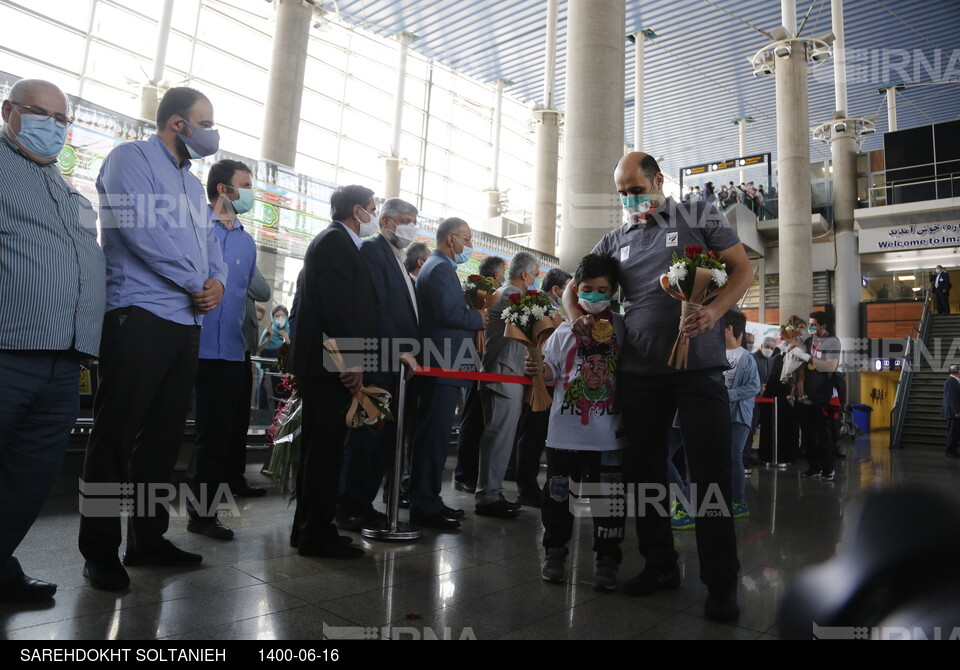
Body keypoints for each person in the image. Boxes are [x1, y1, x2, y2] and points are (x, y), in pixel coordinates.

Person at [563, 151, 753, 622]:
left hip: (699, 369)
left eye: (636, 189)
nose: (630, 199)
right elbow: (572, 288)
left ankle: (721, 583)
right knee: (645, 475)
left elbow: (742, 269)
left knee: (709, 475)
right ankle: (659, 564)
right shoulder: (616, 237)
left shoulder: (696, 213)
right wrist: (577, 321)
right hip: (639, 373)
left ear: (658, 180)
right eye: (622, 193)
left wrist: (715, 311)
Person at [79, 86, 227, 591]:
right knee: (115, 437)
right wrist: (195, 282)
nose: (212, 132)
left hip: (186, 323)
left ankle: (147, 540)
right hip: (138, 313)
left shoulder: (191, 185)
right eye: (205, 122)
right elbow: (140, 232)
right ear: (177, 124)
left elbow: (212, 243)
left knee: (162, 444)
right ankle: (99, 550)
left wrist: (219, 282)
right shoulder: (130, 158)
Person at [0, 79, 106, 603]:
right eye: (39, 113)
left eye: (62, 120)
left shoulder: (63, 184)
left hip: (65, 360)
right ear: (8, 111)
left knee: (30, 477)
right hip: (8, 349)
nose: (53, 126)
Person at [287, 184, 379, 559]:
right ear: (357, 211)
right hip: (330, 365)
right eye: (373, 208)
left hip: (328, 362)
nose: (374, 214)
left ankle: (308, 527)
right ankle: (316, 534)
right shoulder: (335, 243)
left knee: (319, 453)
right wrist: (353, 361)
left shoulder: (337, 243)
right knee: (323, 454)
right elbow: (338, 307)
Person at [531, 254, 627, 591]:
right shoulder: (562, 331)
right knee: (558, 497)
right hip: (565, 435)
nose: (595, 296)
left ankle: (607, 559)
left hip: (609, 437)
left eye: (603, 290)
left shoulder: (623, 328)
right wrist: (536, 367)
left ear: (613, 291)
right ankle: (554, 553)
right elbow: (551, 371)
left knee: (609, 501)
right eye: (588, 289)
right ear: (576, 289)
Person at [185, 159, 259, 541]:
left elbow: (245, 294)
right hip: (186, 343)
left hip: (229, 352)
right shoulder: (194, 226)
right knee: (159, 432)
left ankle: (203, 515)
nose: (250, 193)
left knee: (215, 438)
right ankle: (142, 523)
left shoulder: (248, 242)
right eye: (244, 185)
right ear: (222, 190)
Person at [336, 198, 420, 532]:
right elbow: (377, 306)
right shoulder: (373, 251)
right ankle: (347, 505)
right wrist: (398, 348)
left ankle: (363, 503)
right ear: (384, 220)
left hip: (397, 365)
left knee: (383, 440)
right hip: (380, 359)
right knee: (366, 437)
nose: (409, 226)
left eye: (414, 220)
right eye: (403, 219)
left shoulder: (399, 258)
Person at [410, 218, 487, 530]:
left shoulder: (439, 266)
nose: (469, 246)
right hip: (442, 362)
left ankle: (429, 499)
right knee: (433, 438)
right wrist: (477, 317)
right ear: (451, 239)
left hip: (444, 362)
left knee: (435, 437)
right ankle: (424, 505)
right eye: (466, 240)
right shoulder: (440, 267)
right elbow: (446, 313)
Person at [474, 251, 540, 519]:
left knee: (500, 437)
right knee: (498, 437)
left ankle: (492, 491)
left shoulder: (509, 294)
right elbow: (537, 324)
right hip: (503, 374)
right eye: (535, 275)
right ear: (525, 275)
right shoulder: (509, 296)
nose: (535, 280)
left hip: (507, 373)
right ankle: (488, 496)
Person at [514, 267, 573, 507]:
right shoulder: (540, 308)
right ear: (557, 289)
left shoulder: (551, 308)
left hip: (547, 378)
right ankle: (527, 488)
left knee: (535, 435)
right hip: (539, 380)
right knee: (533, 436)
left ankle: (529, 485)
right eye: (569, 288)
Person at [454, 254, 507, 494]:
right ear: (496, 275)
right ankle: (464, 474)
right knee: (473, 417)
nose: (504, 277)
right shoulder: (484, 296)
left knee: (481, 420)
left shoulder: (494, 296)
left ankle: (474, 473)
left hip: (484, 361)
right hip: (474, 361)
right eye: (503, 272)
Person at [228, 268, 271, 495]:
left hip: (242, 348)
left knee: (239, 420)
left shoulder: (245, 247)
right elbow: (261, 289)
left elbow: (263, 292)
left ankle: (235, 478)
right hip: (225, 346)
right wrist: (248, 268)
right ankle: (214, 488)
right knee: (222, 423)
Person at [722, 310, 760, 520]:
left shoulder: (746, 357)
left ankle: (739, 500)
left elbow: (753, 387)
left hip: (738, 416)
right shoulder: (716, 353)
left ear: (729, 328)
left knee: (734, 456)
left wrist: (726, 395)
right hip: (718, 416)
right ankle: (724, 497)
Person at [795, 311, 841, 481]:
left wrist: (807, 356)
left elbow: (830, 366)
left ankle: (828, 468)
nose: (810, 327)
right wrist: (800, 393)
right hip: (807, 394)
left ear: (823, 326)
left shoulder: (832, 341)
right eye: (809, 324)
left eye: (814, 324)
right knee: (808, 434)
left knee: (823, 433)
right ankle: (813, 466)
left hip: (824, 394)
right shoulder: (808, 341)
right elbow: (801, 369)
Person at [257, 304, 290, 411]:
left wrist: (287, 340)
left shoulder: (290, 333)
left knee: (283, 414)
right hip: (269, 379)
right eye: (277, 316)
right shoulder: (268, 332)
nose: (280, 318)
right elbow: (258, 352)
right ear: (272, 317)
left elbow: (294, 355)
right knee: (269, 413)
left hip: (286, 380)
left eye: (283, 316)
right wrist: (268, 338)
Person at [943, 364, 960, 459]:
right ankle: (950, 451)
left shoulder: (955, 381)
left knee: (956, 433)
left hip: (955, 412)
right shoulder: (950, 382)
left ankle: (953, 450)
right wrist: (956, 411)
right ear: (957, 372)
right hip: (954, 413)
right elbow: (950, 398)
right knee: (953, 433)